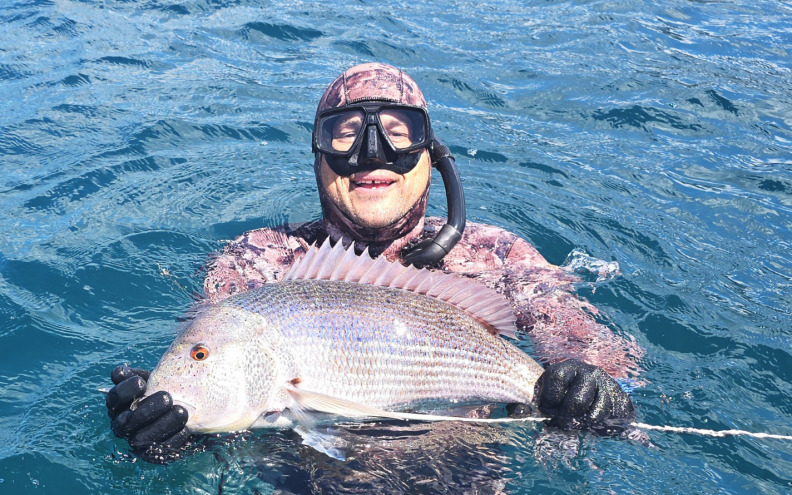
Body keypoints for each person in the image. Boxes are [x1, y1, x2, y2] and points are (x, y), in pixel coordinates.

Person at [106, 63, 642, 463]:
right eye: (344, 134)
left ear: (433, 155)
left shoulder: (497, 256)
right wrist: (174, 431)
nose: (372, 153)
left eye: (399, 132)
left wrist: (593, 387)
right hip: (303, 477)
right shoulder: (256, 262)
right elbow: (220, 365)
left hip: (464, 472)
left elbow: (590, 349)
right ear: (318, 158)